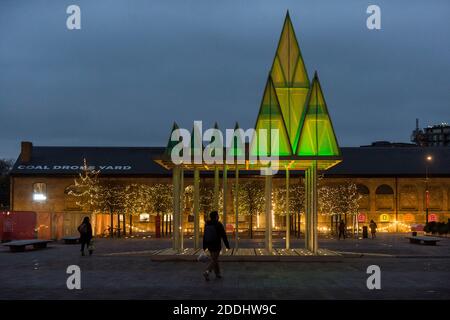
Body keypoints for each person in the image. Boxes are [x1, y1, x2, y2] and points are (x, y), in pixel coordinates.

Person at [202, 211, 230, 281]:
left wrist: (204, 246)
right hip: (216, 244)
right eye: (218, 215)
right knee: (214, 259)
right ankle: (207, 271)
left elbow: (205, 235)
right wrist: (227, 245)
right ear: (216, 216)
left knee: (215, 259)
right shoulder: (218, 224)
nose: (218, 216)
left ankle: (217, 274)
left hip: (209, 244)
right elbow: (224, 235)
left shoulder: (207, 224)